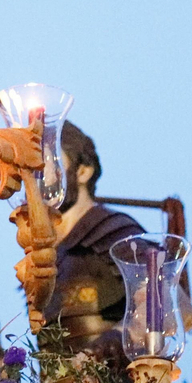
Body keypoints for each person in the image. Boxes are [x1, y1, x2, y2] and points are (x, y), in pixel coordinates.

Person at [44, 121, 146, 354]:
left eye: (49, 162)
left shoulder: (112, 230)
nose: (38, 175)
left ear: (82, 171)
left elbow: (168, 302)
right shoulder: (48, 255)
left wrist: (114, 340)